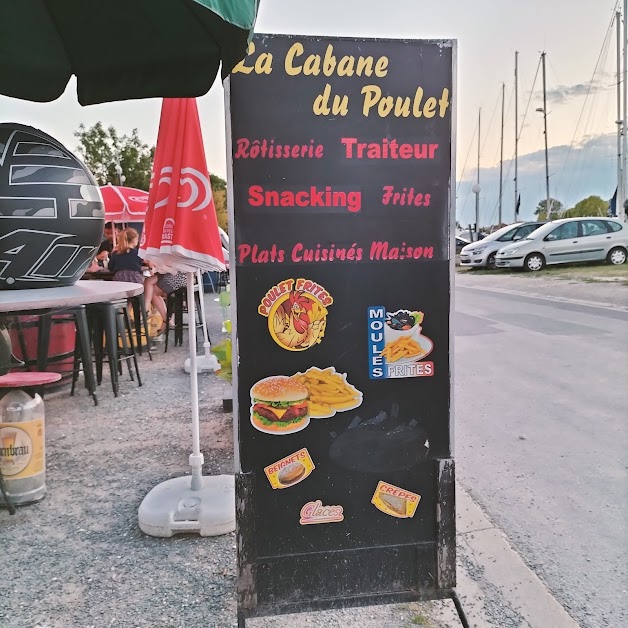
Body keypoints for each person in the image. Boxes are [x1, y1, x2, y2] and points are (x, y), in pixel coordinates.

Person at [143, 271, 187, 336]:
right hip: (187, 277)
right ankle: (167, 320)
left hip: (177, 277)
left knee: (151, 287)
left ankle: (145, 309)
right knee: (151, 286)